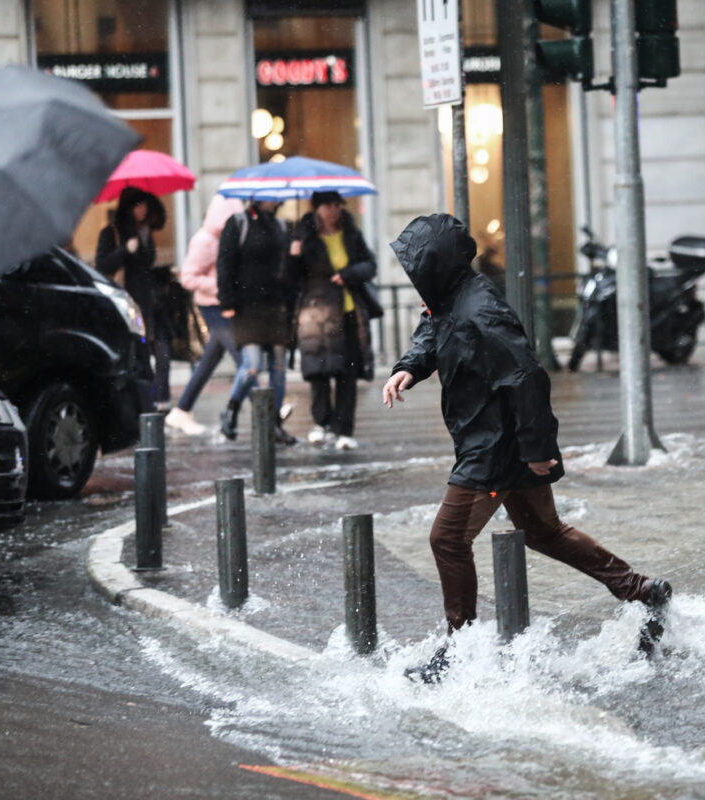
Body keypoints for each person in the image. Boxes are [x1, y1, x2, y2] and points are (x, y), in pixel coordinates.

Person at [382, 213, 672, 683]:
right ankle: (642, 590)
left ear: (437, 264)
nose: (413, 278)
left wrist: (538, 450)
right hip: (495, 439)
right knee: (544, 532)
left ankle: (460, 652)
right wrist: (409, 368)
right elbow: (432, 330)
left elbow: (527, 378)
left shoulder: (481, 310)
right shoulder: (450, 299)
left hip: (494, 447)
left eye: (417, 267)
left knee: (447, 539)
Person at [289, 191, 378, 450]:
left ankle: (344, 429)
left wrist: (348, 274)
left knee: (346, 373)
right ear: (316, 208)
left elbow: (369, 265)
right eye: (327, 205)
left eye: (336, 205)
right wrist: (295, 253)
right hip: (315, 313)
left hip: (348, 311)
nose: (333, 210)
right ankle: (321, 423)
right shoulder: (304, 235)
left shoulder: (351, 233)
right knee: (319, 371)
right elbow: (291, 277)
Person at [164, 195, 246, 436]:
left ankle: (181, 410)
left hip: (223, 303)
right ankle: (270, 412)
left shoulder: (225, 239)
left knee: (210, 360)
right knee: (244, 359)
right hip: (212, 306)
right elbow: (188, 277)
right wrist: (221, 286)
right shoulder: (205, 241)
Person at [216, 199, 296, 445]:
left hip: (275, 306)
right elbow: (225, 263)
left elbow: (287, 268)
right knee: (252, 365)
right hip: (246, 306)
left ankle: (274, 424)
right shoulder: (238, 223)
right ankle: (231, 410)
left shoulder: (281, 227)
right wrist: (227, 301)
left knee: (279, 369)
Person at [96, 187, 172, 406]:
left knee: (163, 354)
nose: (142, 210)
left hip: (151, 303)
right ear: (128, 208)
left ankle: (161, 401)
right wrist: (125, 250)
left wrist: (165, 273)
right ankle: (145, 405)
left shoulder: (146, 233)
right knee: (139, 358)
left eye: (145, 206)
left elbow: (145, 268)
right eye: (138, 206)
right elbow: (102, 265)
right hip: (129, 305)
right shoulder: (112, 233)